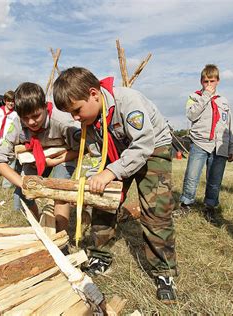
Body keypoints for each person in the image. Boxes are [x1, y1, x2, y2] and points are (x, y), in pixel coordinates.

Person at [53, 67, 177, 304]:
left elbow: (143, 145)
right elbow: (93, 154)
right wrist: (90, 180)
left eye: (77, 110)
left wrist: (111, 171)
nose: (75, 118)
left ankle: (164, 273)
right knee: (103, 201)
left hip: (152, 149)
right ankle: (100, 255)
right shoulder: (89, 119)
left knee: (156, 209)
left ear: (93, 94)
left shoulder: (127, 101)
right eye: (71, 114)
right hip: (118, 152)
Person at [0, 82, 80, 232]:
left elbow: (83, 148)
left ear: (44, 106)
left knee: (60, 192)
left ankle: (61, 238)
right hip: (34, 158)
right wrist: (24, 184)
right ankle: (38, 229)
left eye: (36, 115)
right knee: (25, 193)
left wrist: (55, 161)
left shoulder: (62, 121)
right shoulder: (16, 123)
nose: (31, 122)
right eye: (26, 118)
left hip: (64, 157)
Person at [177, 64, 233, 221]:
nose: (209, 84)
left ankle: (210, 207)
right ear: (201, 81)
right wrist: (205, 97)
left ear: (218, 80)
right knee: (192, 176)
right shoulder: (194, 97)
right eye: (205, 81)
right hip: (200, 143)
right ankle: (186, 204)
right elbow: (191, 115)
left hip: (220, 146)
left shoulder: (224, 101)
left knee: (214, 180)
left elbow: (230, 125)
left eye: (212, 81)